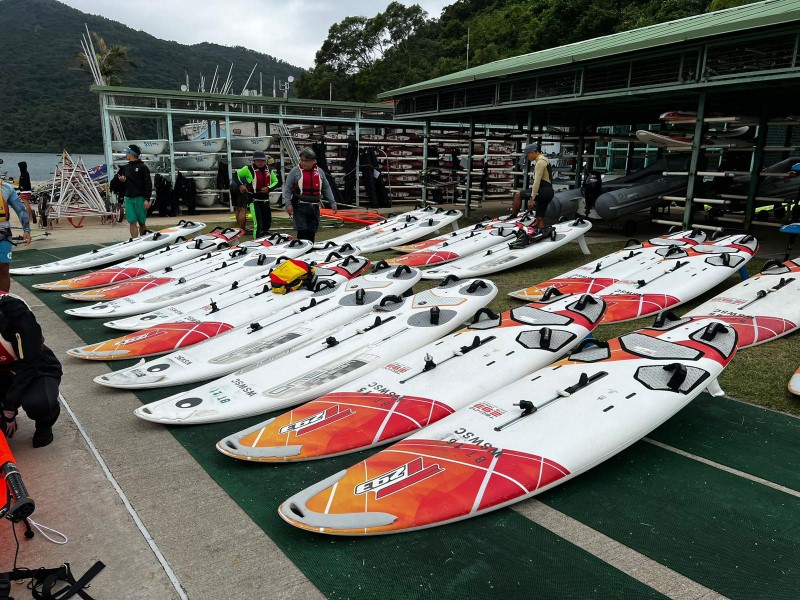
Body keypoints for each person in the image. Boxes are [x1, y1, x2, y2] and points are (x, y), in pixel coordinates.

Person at [0, 294, 62, 448]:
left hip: (34, 367)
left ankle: (44, 424)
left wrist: (9, 407)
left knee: (40, 404)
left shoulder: (13, 310)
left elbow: (29, 363)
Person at [283, 148, 337, 242]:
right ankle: (301, 251)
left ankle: (309, 252)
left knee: (312, 231)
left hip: (314, 207)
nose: (303, 163)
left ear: (313, 161)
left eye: (306, 161)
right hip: (300, 206)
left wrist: (332, 202)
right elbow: (287, 188)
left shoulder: (320, 172)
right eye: (302, 160)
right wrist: (288, 204)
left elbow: (326, 187)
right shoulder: (295, 172)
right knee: (302, 231)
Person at [231, 151, 278, 237]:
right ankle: (256, 240)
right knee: (258, 224)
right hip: (254, 200)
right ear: (254, 161)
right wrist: (240, 185)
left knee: (267, 224)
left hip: (265, 200)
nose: (260, 163)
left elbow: (276, 181)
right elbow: (235, 175)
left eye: (262, 161)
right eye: (258, 161)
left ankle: (265, 240)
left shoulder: (269, 170)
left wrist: (269, 188)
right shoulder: (248, 169)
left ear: (265, 161)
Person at [509, 143, 554, 228]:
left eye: (527, 156)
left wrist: (532, 198)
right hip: (549, 192)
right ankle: (542, 232)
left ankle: (513, 217)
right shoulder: (545, 159)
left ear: (532, 152)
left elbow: (537, 182)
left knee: (518, 195)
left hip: (543, 191)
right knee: (539, 218)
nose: (527, 158)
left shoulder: (540, 162)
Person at [0, 180, 32, 292]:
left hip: (3, 232)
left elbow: (20, 209)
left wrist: (26, 229)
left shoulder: (7, 188)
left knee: (3, 267)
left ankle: (3, 300)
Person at [116, 144, 153, 238]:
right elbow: (122, 182)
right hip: (128, 197)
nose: (126, 154)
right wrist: (122, 180)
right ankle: (135, 242)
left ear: (131, 154)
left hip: (140, 198)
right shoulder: (126, 167)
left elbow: (148, 183)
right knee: (132, 221)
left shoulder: (142, 167)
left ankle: (144, 240)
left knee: (141, 222)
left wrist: (147, 199)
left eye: (127, 153)